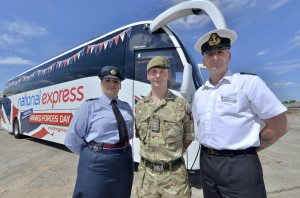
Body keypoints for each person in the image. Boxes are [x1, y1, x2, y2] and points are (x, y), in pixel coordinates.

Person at [192, 29, 290, 198]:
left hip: (240, 165)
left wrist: (246, 151)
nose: (215, 58)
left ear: (229, 56)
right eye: (209, 54)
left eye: (220, 52)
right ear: (204, 60)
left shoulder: (248, 83)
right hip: (207, 163)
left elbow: (280, 126)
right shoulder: (200, 93)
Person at [64, 66, 134, 198]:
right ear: (101, 84)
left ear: (120, 85)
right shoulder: (89, 106)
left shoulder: (126, 107)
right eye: (107, 80)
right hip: (97, 164)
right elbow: (72, 139)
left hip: (124, 161)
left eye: (116, 82)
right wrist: (93, 153)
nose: (112, 84)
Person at [135, 56, 195, 198]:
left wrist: (170, 154)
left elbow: (188, 137)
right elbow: (141, 138)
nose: (158, 75)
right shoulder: (140, 106)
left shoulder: (181, 104)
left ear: (169, 75)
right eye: (154, 71)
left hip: (174, 178)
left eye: (162, 72)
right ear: (148, 75)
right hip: (147, 178)